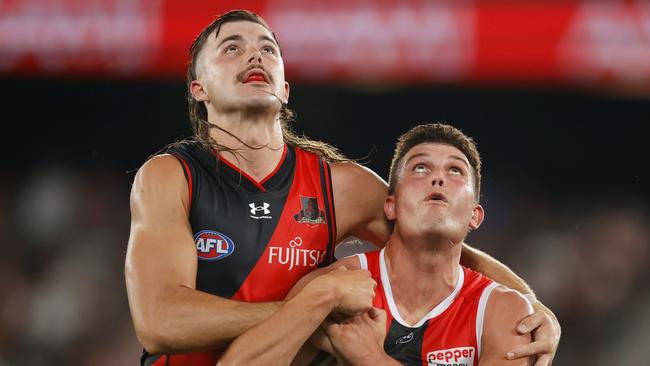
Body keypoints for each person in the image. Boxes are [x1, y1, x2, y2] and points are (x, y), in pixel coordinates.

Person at [124, 10, 559, 366]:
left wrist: (533, 310)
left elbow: (441, 244)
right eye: (232, 48)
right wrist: (315, 304)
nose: (254, 57)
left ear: (285, 89)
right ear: (198, 88)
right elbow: (160, 323)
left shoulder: (339, 184)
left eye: (268, 49)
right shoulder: (170, 175)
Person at [220, 123, 537, 366]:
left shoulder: (502, 311)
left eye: (455, 171)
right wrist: (321, 298)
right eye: (420, 168)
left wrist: (372, 359)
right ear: (391, 206)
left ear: (475, 216)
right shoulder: (331, 288)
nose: (437, 179)